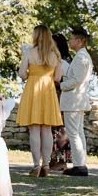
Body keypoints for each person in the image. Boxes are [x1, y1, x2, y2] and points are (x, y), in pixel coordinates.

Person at [16, 25, 64, 177]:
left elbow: (22, 74)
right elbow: (57, 78)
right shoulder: (55, 55)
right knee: (47, 130)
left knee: (34, 130)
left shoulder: (29, 52)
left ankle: (36, 165)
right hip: (48, 91)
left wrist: (32, 72)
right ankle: (46, 165)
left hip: (33, 91)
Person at [60, 28, 93, 177]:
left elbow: (77, 80)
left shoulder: (81, 57)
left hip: (73, 100)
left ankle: (79, 166)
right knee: (78, 133)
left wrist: (61, 85)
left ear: (79, 40)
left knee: (74, 133)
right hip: (77, 100)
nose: (69, 42)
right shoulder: (82, 56)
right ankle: (80, 163)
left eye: (72, 39)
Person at [49, 33, 73, 171]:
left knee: (60, 128)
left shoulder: (65, 61)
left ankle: (61, 160)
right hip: (55, 95)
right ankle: (53, 158)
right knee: (54, 127)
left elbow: (65, 80)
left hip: (60, 96)